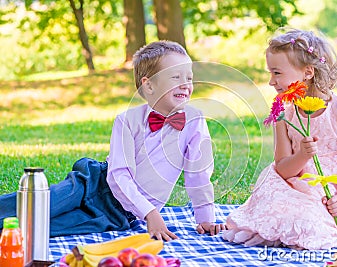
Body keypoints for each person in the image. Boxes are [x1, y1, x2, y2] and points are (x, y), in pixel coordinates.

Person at [0, 40, 225, 240]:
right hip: (94, 184)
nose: (186, 84)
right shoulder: (127, 120)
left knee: (42, 228)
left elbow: (199, 173)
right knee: (40, 204)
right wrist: (150, 212)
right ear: (149, 85)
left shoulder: (195, 121)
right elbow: (119, 174)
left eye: (189, 78)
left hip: (118, 215)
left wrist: (205, 218)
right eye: (176, 77)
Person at [222, 29, 337, 250]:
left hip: (329, 192)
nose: (271, 81)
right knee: (274, 204)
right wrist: (303, 155)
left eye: (276, 73)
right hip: (290, 184)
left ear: (307, 72)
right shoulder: (283, 112)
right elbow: (283, 169)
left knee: (308, 218)